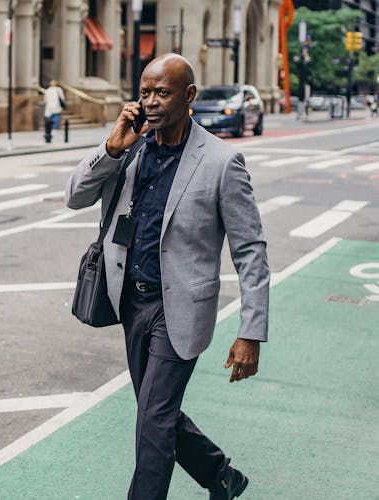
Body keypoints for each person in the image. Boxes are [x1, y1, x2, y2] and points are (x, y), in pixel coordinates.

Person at [66, 53, 269, 500]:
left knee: (153, 420)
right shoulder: (131, 149)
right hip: (130, 302)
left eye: (162, 92)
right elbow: (74, 197)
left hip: (179, 308)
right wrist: (112, 147)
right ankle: (220, 475)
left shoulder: (221, 161)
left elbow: (250, 250)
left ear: (188, 95)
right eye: (145, 92)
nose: (151, 102)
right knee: (156, 411)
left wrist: (250, 331)